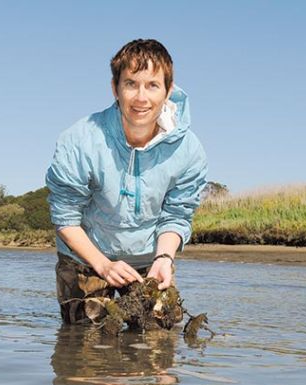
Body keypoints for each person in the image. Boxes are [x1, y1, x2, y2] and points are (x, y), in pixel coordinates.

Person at [46, 39, 208, 324]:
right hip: (86, 257)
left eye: (152, 85)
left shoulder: (190, 151)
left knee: (159, 339)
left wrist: (164, 259)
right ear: (115, 88)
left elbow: (177, 214)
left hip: (150, 257)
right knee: (82, 345)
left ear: (168, 90)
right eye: (131, 84)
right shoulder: (78, 140)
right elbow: (65, 217)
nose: (141, 98)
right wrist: (103, 265)